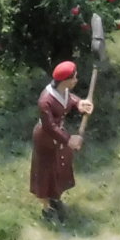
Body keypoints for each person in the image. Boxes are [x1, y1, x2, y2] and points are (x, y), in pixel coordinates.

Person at [30, 61, 92, 220]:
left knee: (59, 167)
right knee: (45, 172)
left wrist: (79, 103)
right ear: (65, 80)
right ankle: (46, 208)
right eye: (74, 78)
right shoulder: (46, 100)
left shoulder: (62, 91)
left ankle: (55, 197)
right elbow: (49, 126)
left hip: (58, 138)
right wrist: (69, 139)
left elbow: (68, 99)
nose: (76, 80)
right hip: (45, 140)